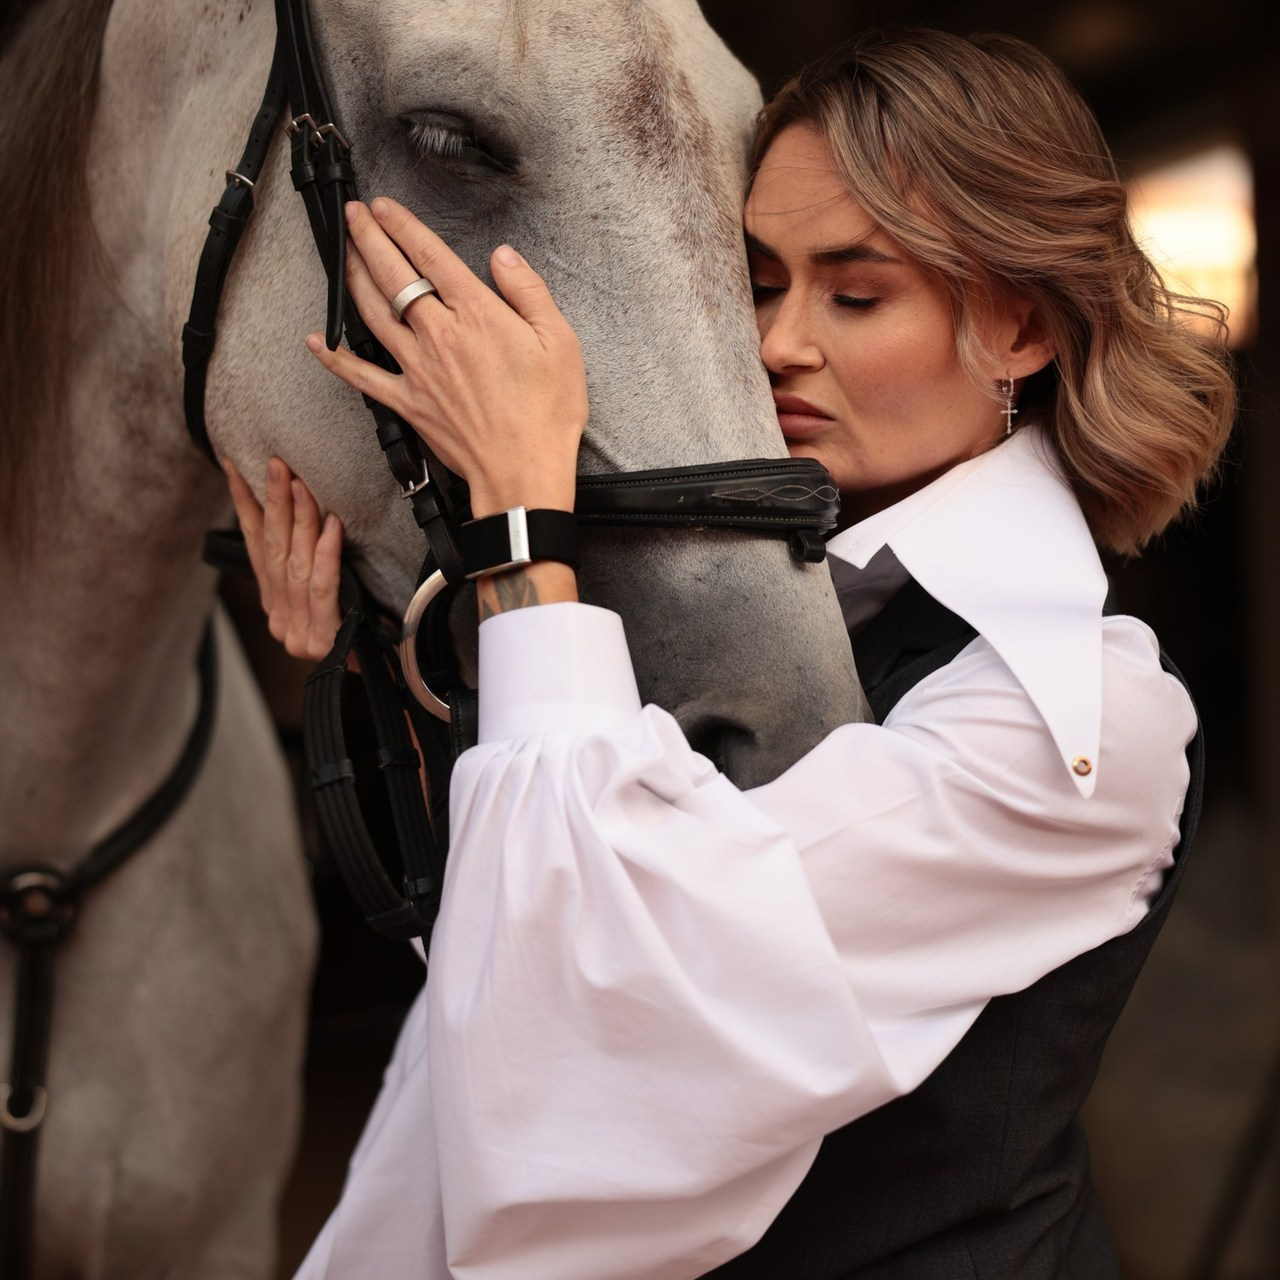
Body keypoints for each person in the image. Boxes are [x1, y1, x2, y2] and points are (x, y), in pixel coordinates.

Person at [225, 29, 1235, 1280]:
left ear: (1020, 328)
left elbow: (614, 1028)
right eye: (755, 284)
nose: (780, 342)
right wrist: (372, 662)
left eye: (854, 294)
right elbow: (496, 974)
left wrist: (526, 522)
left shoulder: (1079, 715)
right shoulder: (759, 603)